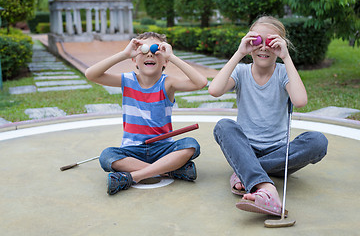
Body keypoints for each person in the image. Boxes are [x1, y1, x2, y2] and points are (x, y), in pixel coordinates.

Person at [208, 16, 328, 216]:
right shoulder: (241, 71)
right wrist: (240, 52)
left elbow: (300, 101)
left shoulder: (282, 72)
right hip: (246, 149)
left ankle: (246, 172)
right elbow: (214, 90)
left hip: (280, 154)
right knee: (223, 126)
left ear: (280, 45)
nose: (263, 47)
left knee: (318, 141)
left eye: (271, 43)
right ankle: (267, 189)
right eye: (257, 41)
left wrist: (286, 58)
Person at [85, 32, 208, 195]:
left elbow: (201, 82)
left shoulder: (168, 83)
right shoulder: (127, 80)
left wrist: (172, 56)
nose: (150, 53)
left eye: (157, 50)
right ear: (134, 59)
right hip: (132, 149)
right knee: (107, 156)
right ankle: (170, 170)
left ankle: (134, 176)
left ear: (165, 61)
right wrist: (124, 53)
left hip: (163, 148)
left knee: (191, 145)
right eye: (143, 50)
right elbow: (91, 74)